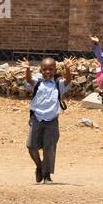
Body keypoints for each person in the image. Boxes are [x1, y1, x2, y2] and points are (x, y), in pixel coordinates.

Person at [24, 56, 71, 184]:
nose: (47, 72)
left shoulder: (58, 84)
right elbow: (28, 80)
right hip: (37, 118)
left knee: (49, 148)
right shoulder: (37, 82)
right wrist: (27, 69)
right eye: (44, 69)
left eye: (51, 69)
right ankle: (39, 166)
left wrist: (67, 68)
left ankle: (47, 175)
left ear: (55, 70)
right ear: (40, 70)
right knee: (31, 146)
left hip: (52, 120)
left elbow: (68, 81)